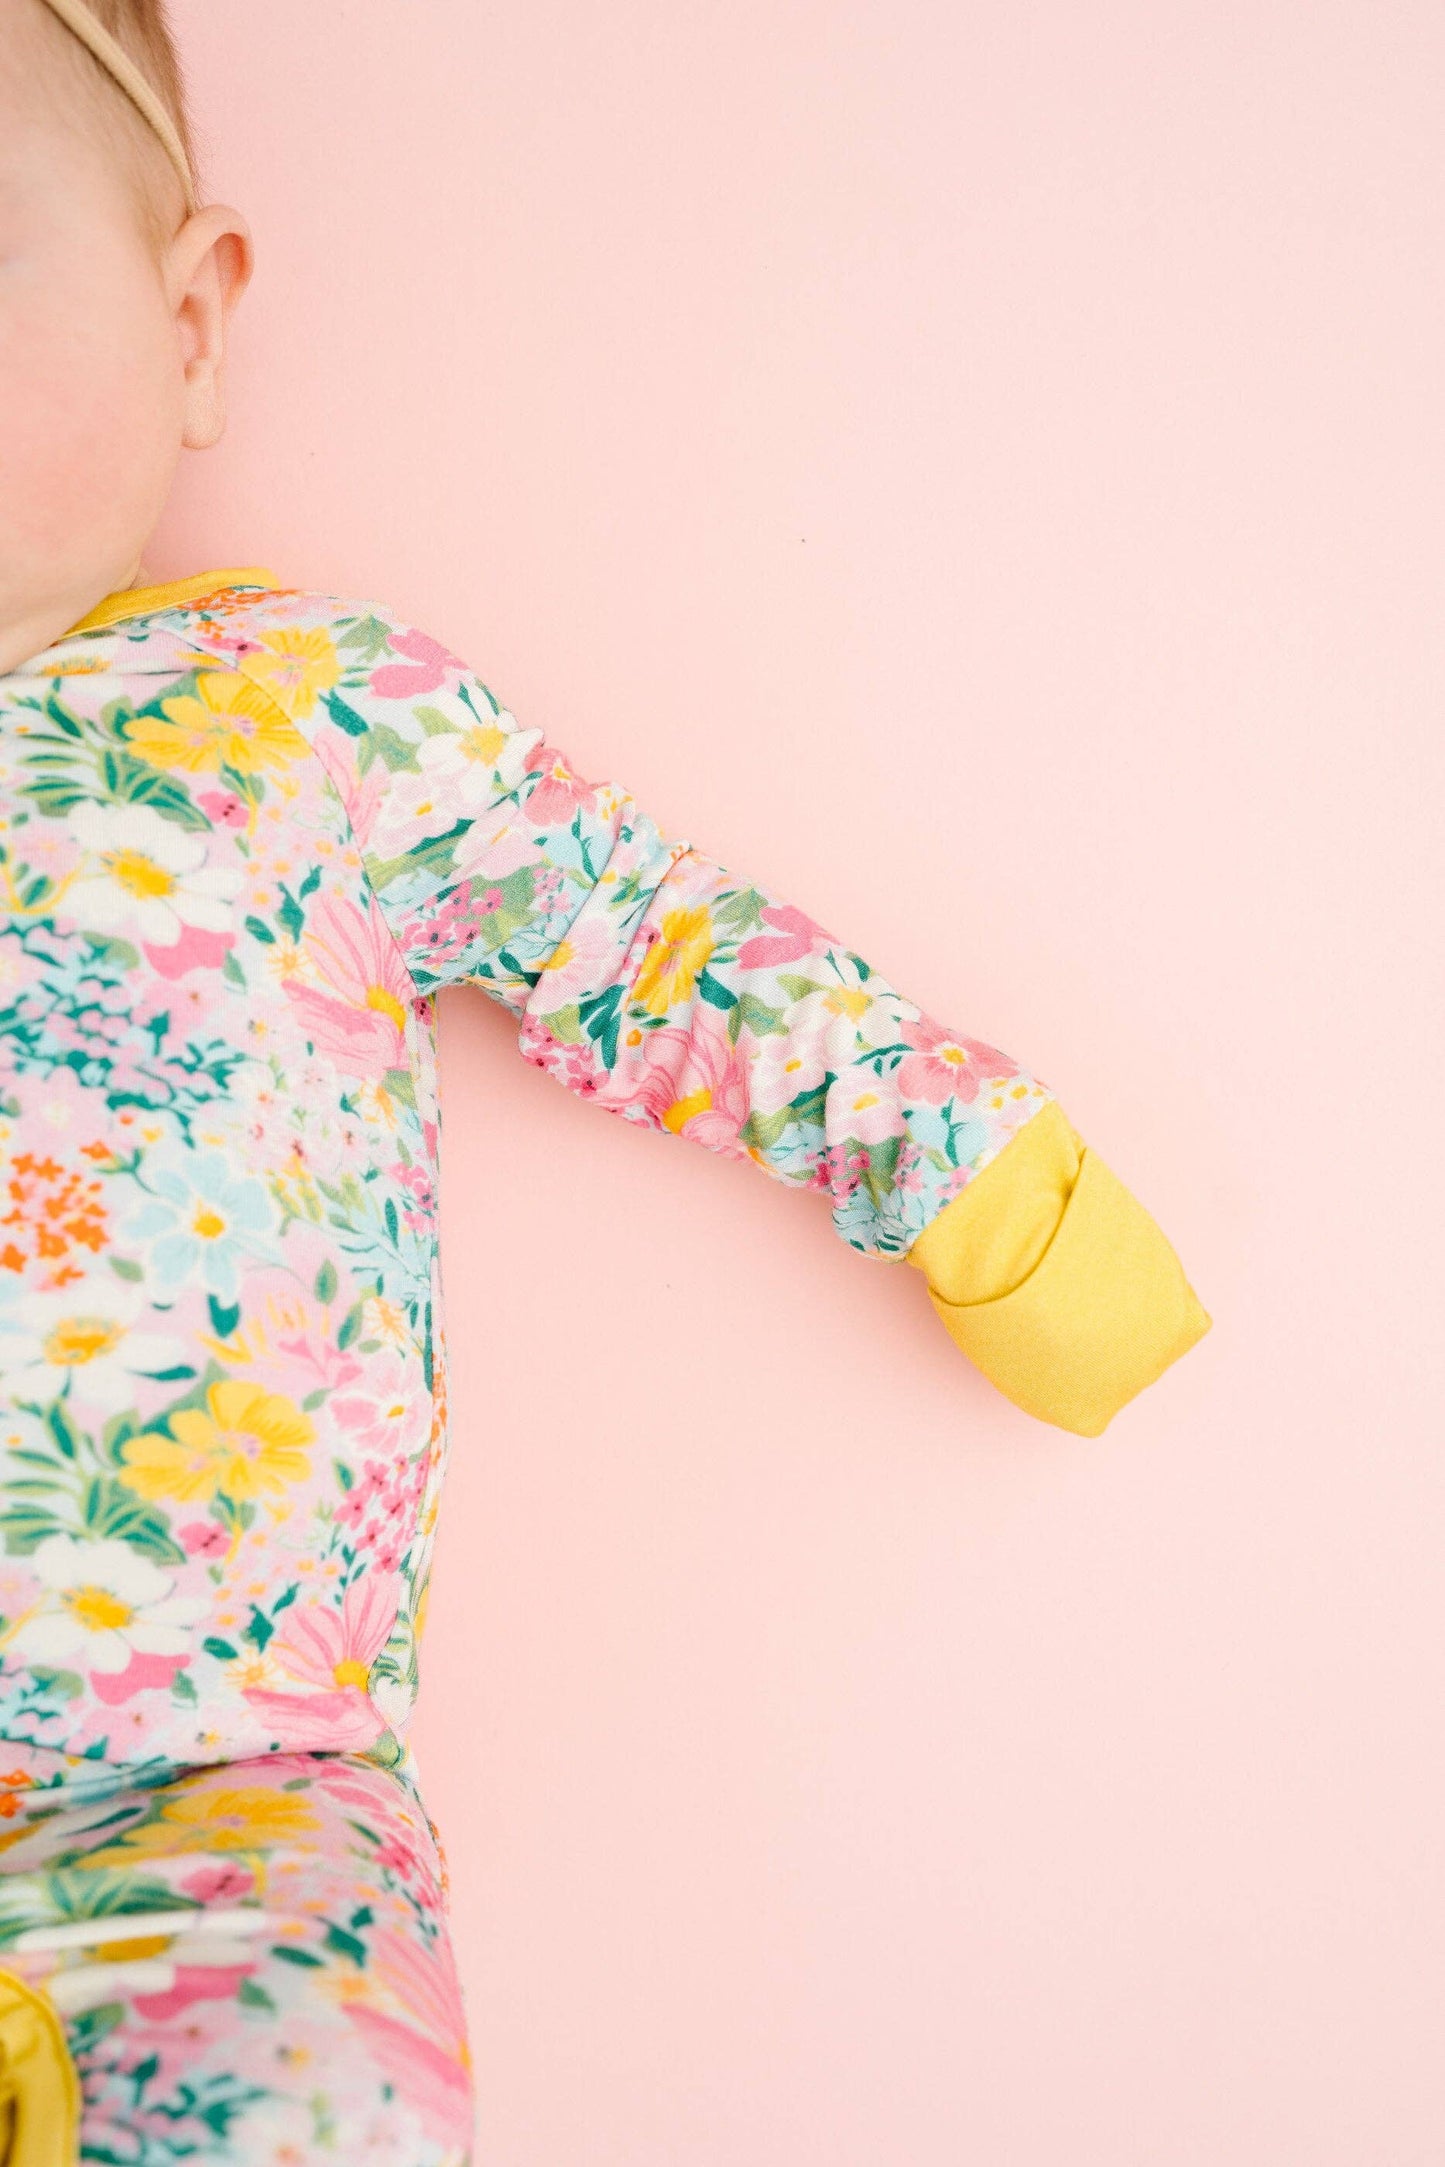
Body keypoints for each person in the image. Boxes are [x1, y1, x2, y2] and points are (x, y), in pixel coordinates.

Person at [0, 1, 1210, 2158]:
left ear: (187, 325)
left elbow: (648, 940)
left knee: (309, 2109)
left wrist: (967, 1164)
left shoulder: (296, 709)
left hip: (216, 1800)